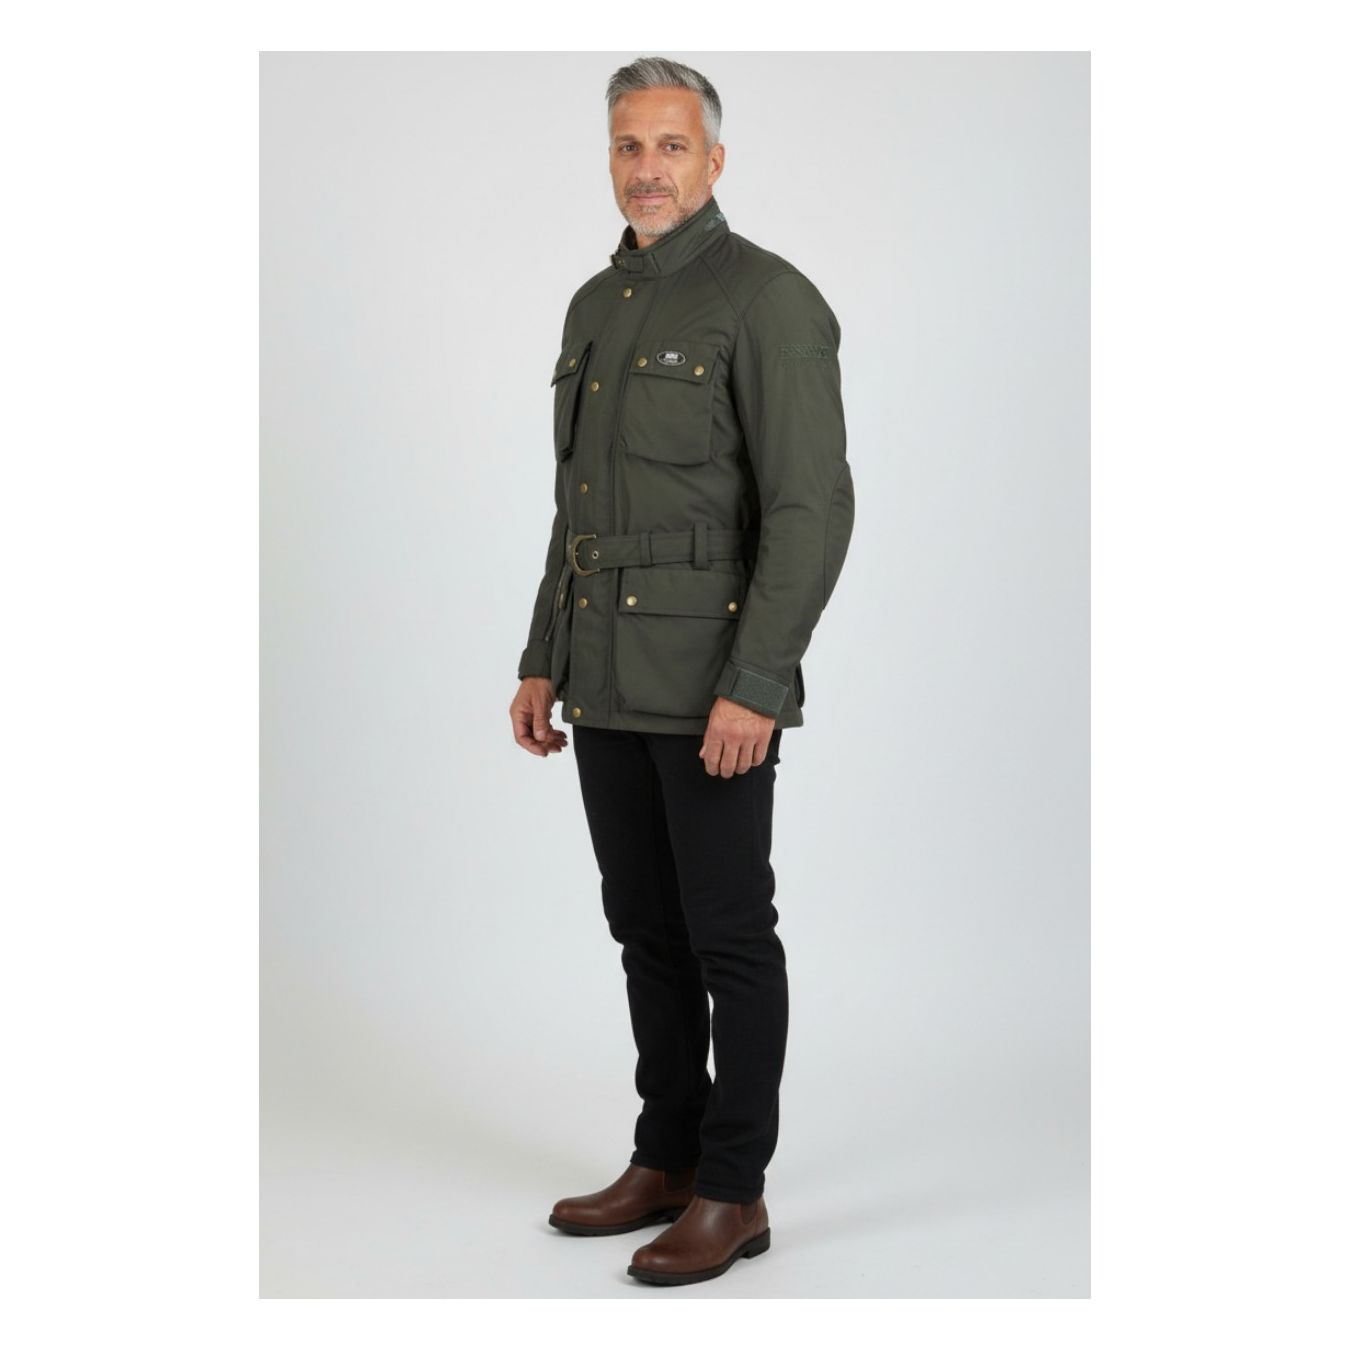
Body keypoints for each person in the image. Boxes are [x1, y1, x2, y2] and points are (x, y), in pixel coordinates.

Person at [509, 56, 855, 1287]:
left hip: (713, 683)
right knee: (643, 931)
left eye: (669, 146)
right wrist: (542, 658)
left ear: (714, 158)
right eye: (627, 146)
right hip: (605, 676)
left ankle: (732, 1188)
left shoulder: (768, 300)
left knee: (727, 935)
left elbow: (811, 510)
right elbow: (580, 512)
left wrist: (757, 681)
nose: (646, 169)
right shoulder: (594, 308)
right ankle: (663, 1158)